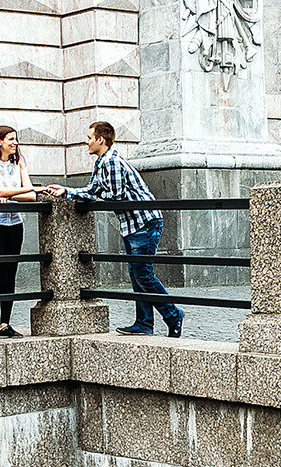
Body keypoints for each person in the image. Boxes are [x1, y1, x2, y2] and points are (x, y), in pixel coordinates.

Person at [49, 121, 182, 338]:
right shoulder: (102, 162)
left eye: (89, 137)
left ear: (100, 139)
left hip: (144, 222)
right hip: (132, 224)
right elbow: (92, 190)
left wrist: (91, 194)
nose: (86, 141)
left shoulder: (112, 162)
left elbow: (116, 196)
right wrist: (65, 191)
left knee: (144, 275)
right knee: (137, 276)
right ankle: (144, 324)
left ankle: (173, 315)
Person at [0, 126, 43, 338]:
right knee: (0, 276)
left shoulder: (19, 163)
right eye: (11, 139)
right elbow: (0, 190)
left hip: (15, 225)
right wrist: (26, 190)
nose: (15, 143)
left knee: (11, 275)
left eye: (16, 139)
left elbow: (31, 196)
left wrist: (12, 196)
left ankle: (5, 324)